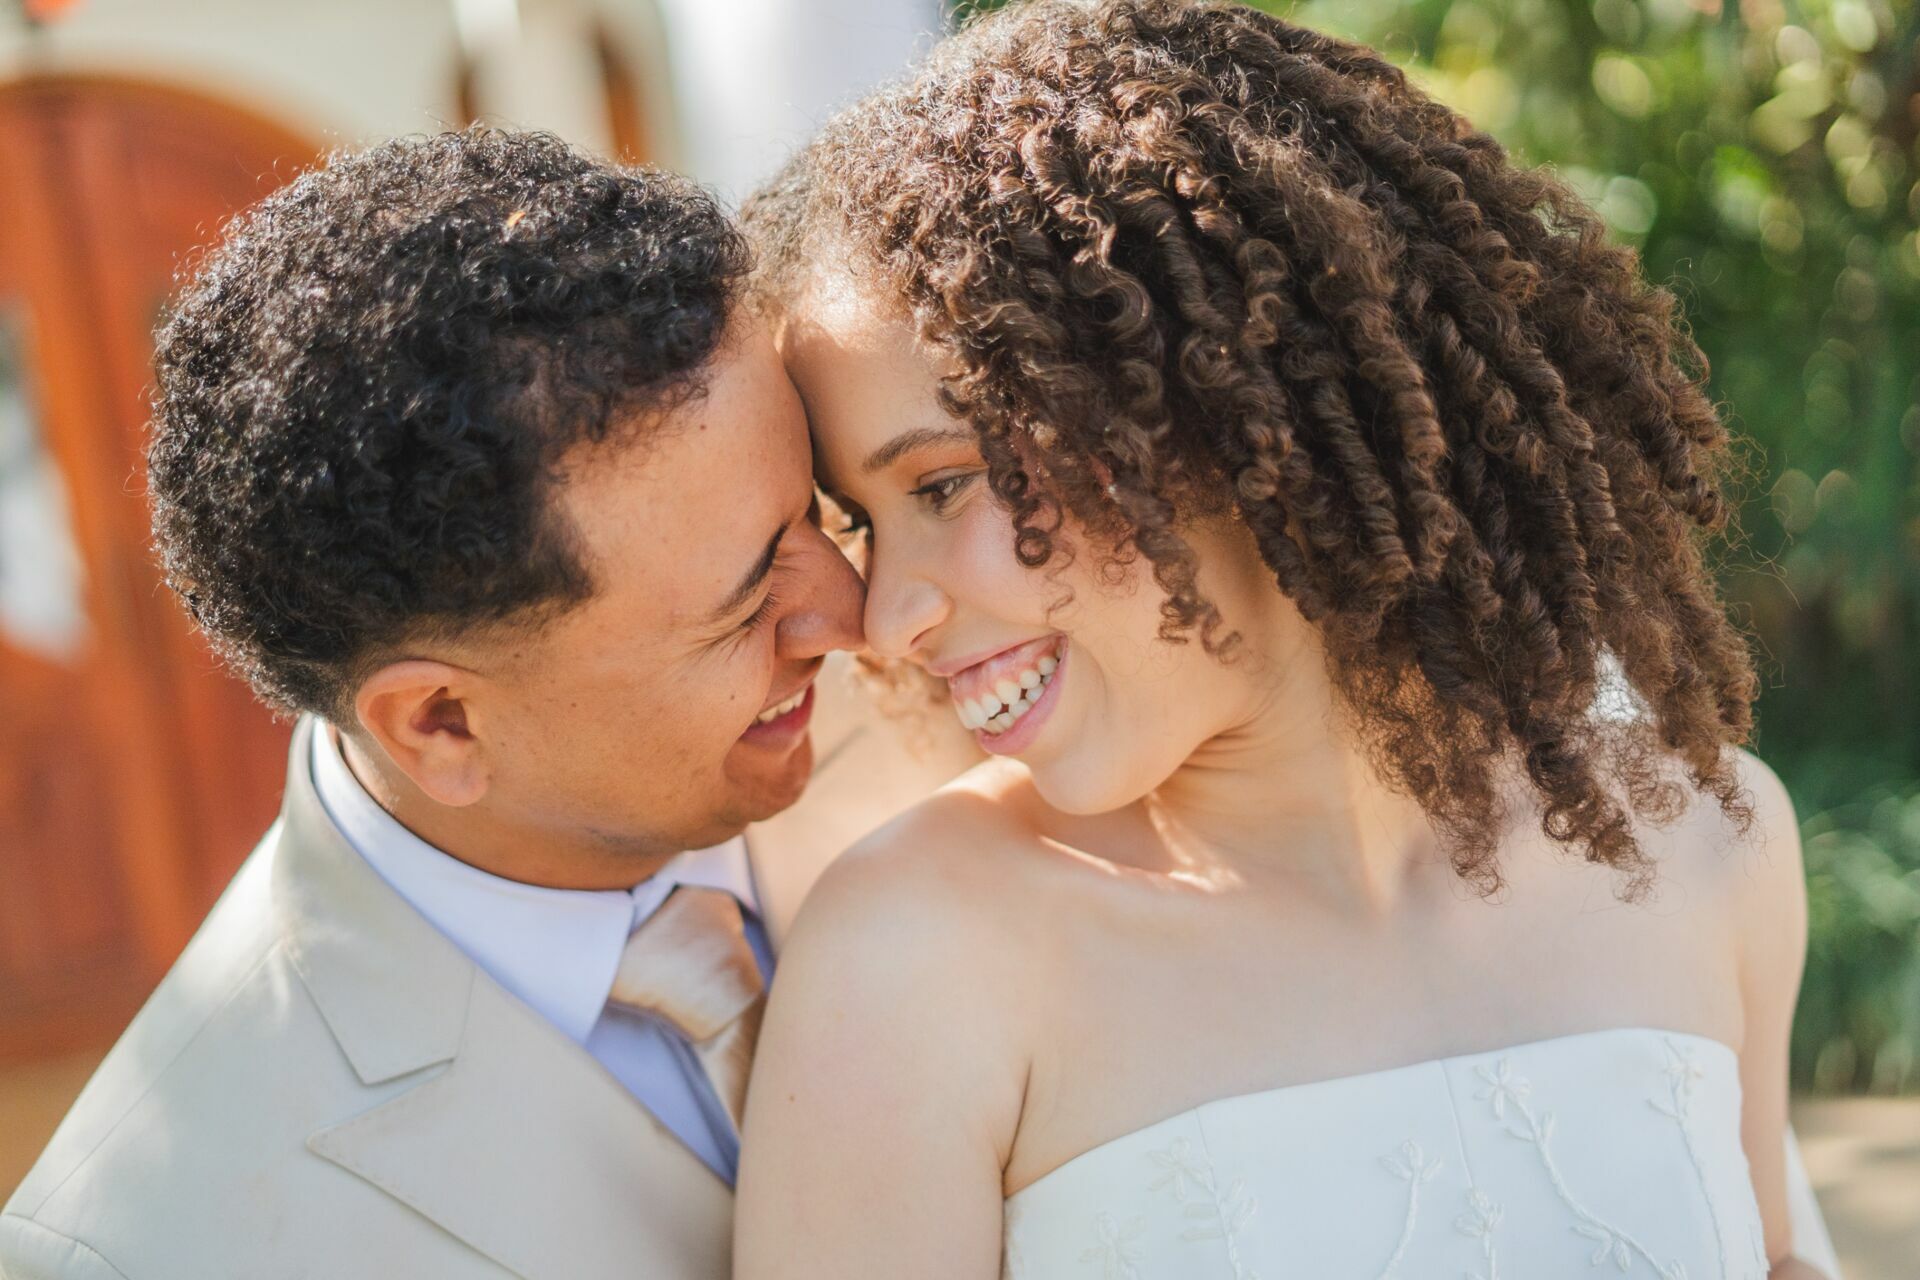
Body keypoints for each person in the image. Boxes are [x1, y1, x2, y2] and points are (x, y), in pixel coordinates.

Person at [733, 2, 1833, 1276]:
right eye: (861, 522)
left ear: (1210, 404)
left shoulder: (1703, 840)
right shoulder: (911, 960)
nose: (888, 613)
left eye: (941, 485)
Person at [0, 128, 972, 1279]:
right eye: (748, 596)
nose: (853, 615)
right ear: (439, 723)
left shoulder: (979, 696)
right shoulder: (147, 1242)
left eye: (816, 512)